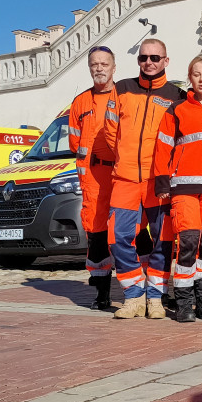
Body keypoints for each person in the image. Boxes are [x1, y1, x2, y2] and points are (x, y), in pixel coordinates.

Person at [104, 38, 186, 319]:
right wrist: (125, 158)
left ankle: (155, 297)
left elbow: (179, 140)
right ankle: (133, 296)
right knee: (117, 238)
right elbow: (111, 131)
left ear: (166, 61)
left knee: (163, 242)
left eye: (154, 57)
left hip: (158, 182)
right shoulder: (123, 89)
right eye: (143, 58)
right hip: (125, 179)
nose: (148, 62)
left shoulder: (177, 95)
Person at [154, 55, 202, 322]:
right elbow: (162, 146)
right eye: (197, 74)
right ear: (190, 78)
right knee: (187, 244)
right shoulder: (177, 110)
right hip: (183, 187)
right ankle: (184, 304)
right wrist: (162, 179)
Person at [69, 45, 118, 310]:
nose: (99, 68)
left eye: (104, 63)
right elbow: (75, 142)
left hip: (121, 175)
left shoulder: (124, 96)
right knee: (97, 235)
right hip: (93, 179)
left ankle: (145, 290)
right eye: (94, 64)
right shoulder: (80, 103)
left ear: (113, 66)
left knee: (132, 231)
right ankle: (102, 292)